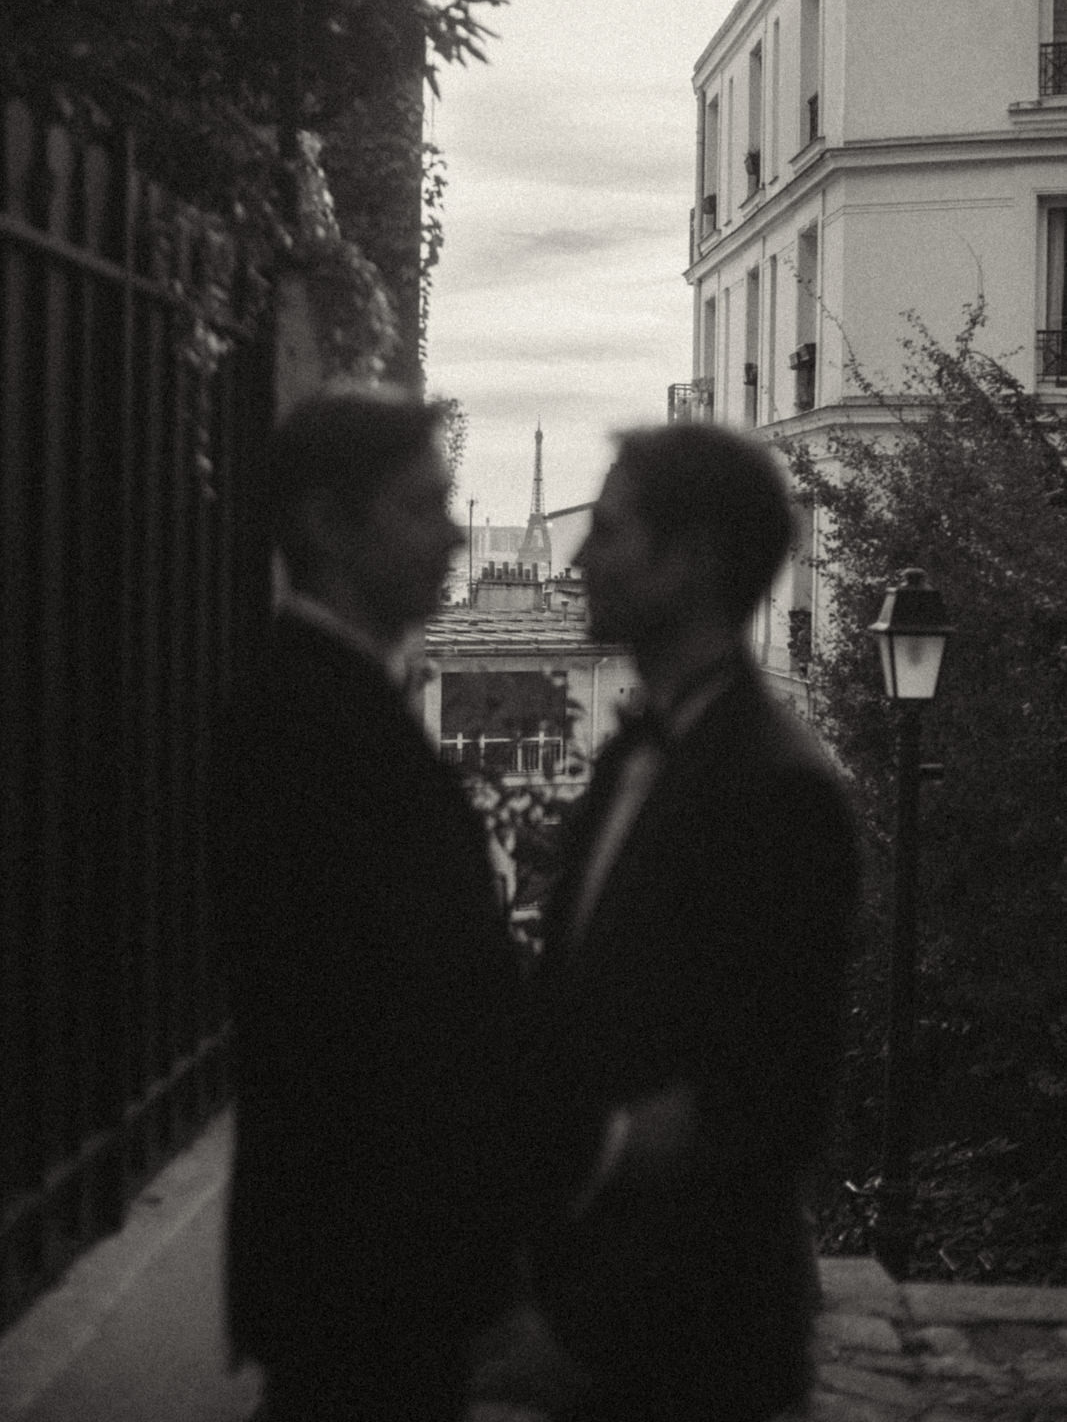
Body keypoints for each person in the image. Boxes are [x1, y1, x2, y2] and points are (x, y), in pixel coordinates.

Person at [525, 422, 859, 1422]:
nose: (581, 557)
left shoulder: (779, 792)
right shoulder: (645, 748)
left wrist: (575, 1150)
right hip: (599, 1327)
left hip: (693, 1349)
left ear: (694, 561)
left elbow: (764, 1109)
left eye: (613, 530)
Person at [212, 386, 523, 1422]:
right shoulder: (315, 731)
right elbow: (396, 1024)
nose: (452, 534)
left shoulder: (318, 706)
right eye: (423, 506)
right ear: (329, 524)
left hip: (353, 1270)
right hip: (368, 1273)